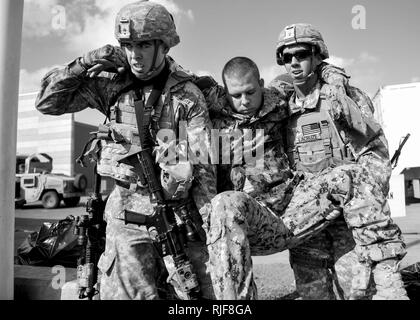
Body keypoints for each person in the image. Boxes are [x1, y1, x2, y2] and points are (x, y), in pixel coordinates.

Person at [35, 1, 217, 300]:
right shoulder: (111, 85)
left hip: (176, 215)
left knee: (198, 297)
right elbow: (47, 102)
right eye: (127, 45)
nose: (135, 54)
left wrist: (206, 230)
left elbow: (204, 170)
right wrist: (83, 63)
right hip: (125, 215)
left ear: (164, 45)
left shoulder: (187, 95)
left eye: (144, 44)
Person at [202, 56, 371, 299]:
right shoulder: (215, 119)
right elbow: (176, 78)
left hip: (291, 212)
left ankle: (380, 261)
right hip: (248, 222)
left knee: (348, 174)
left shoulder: (278, 100)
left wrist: (334, 76)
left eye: (251, 92)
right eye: (236, 95)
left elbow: (309, 72)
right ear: (224, 92)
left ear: (261, 83)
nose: (245, 101)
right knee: (224, 203)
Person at [273, 23, 408, 300]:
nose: (294, 63)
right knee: (313, 295)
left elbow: (375, 157)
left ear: (318, 55)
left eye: (301, 54)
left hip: (348, 221)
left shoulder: (345, 98)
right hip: (309, 224)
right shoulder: (281, 109)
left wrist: (360, 198)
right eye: (287, 58)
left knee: (358, 292)